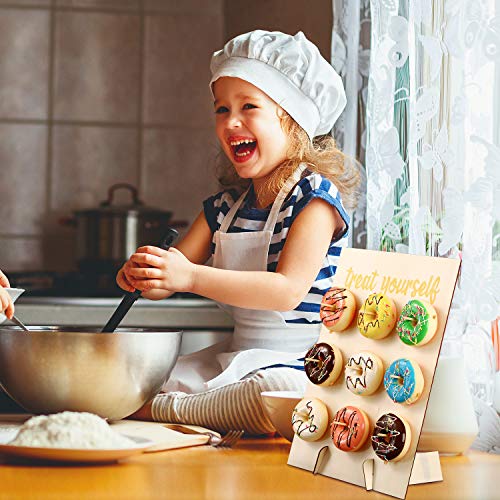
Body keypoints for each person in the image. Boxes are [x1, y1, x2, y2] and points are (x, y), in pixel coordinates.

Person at [117, 30, 360, 434]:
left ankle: (170, 410)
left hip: (299, 362)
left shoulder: (315, 199)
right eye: (221, 109)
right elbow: (173, 272)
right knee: (136, 375)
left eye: (249, 106)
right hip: (236, 357)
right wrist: (147, 275)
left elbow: (286, 291)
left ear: (294, 121)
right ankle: (190, 408)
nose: (231, 121)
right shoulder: (225, 207)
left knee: (280, 393)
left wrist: (190, 277)